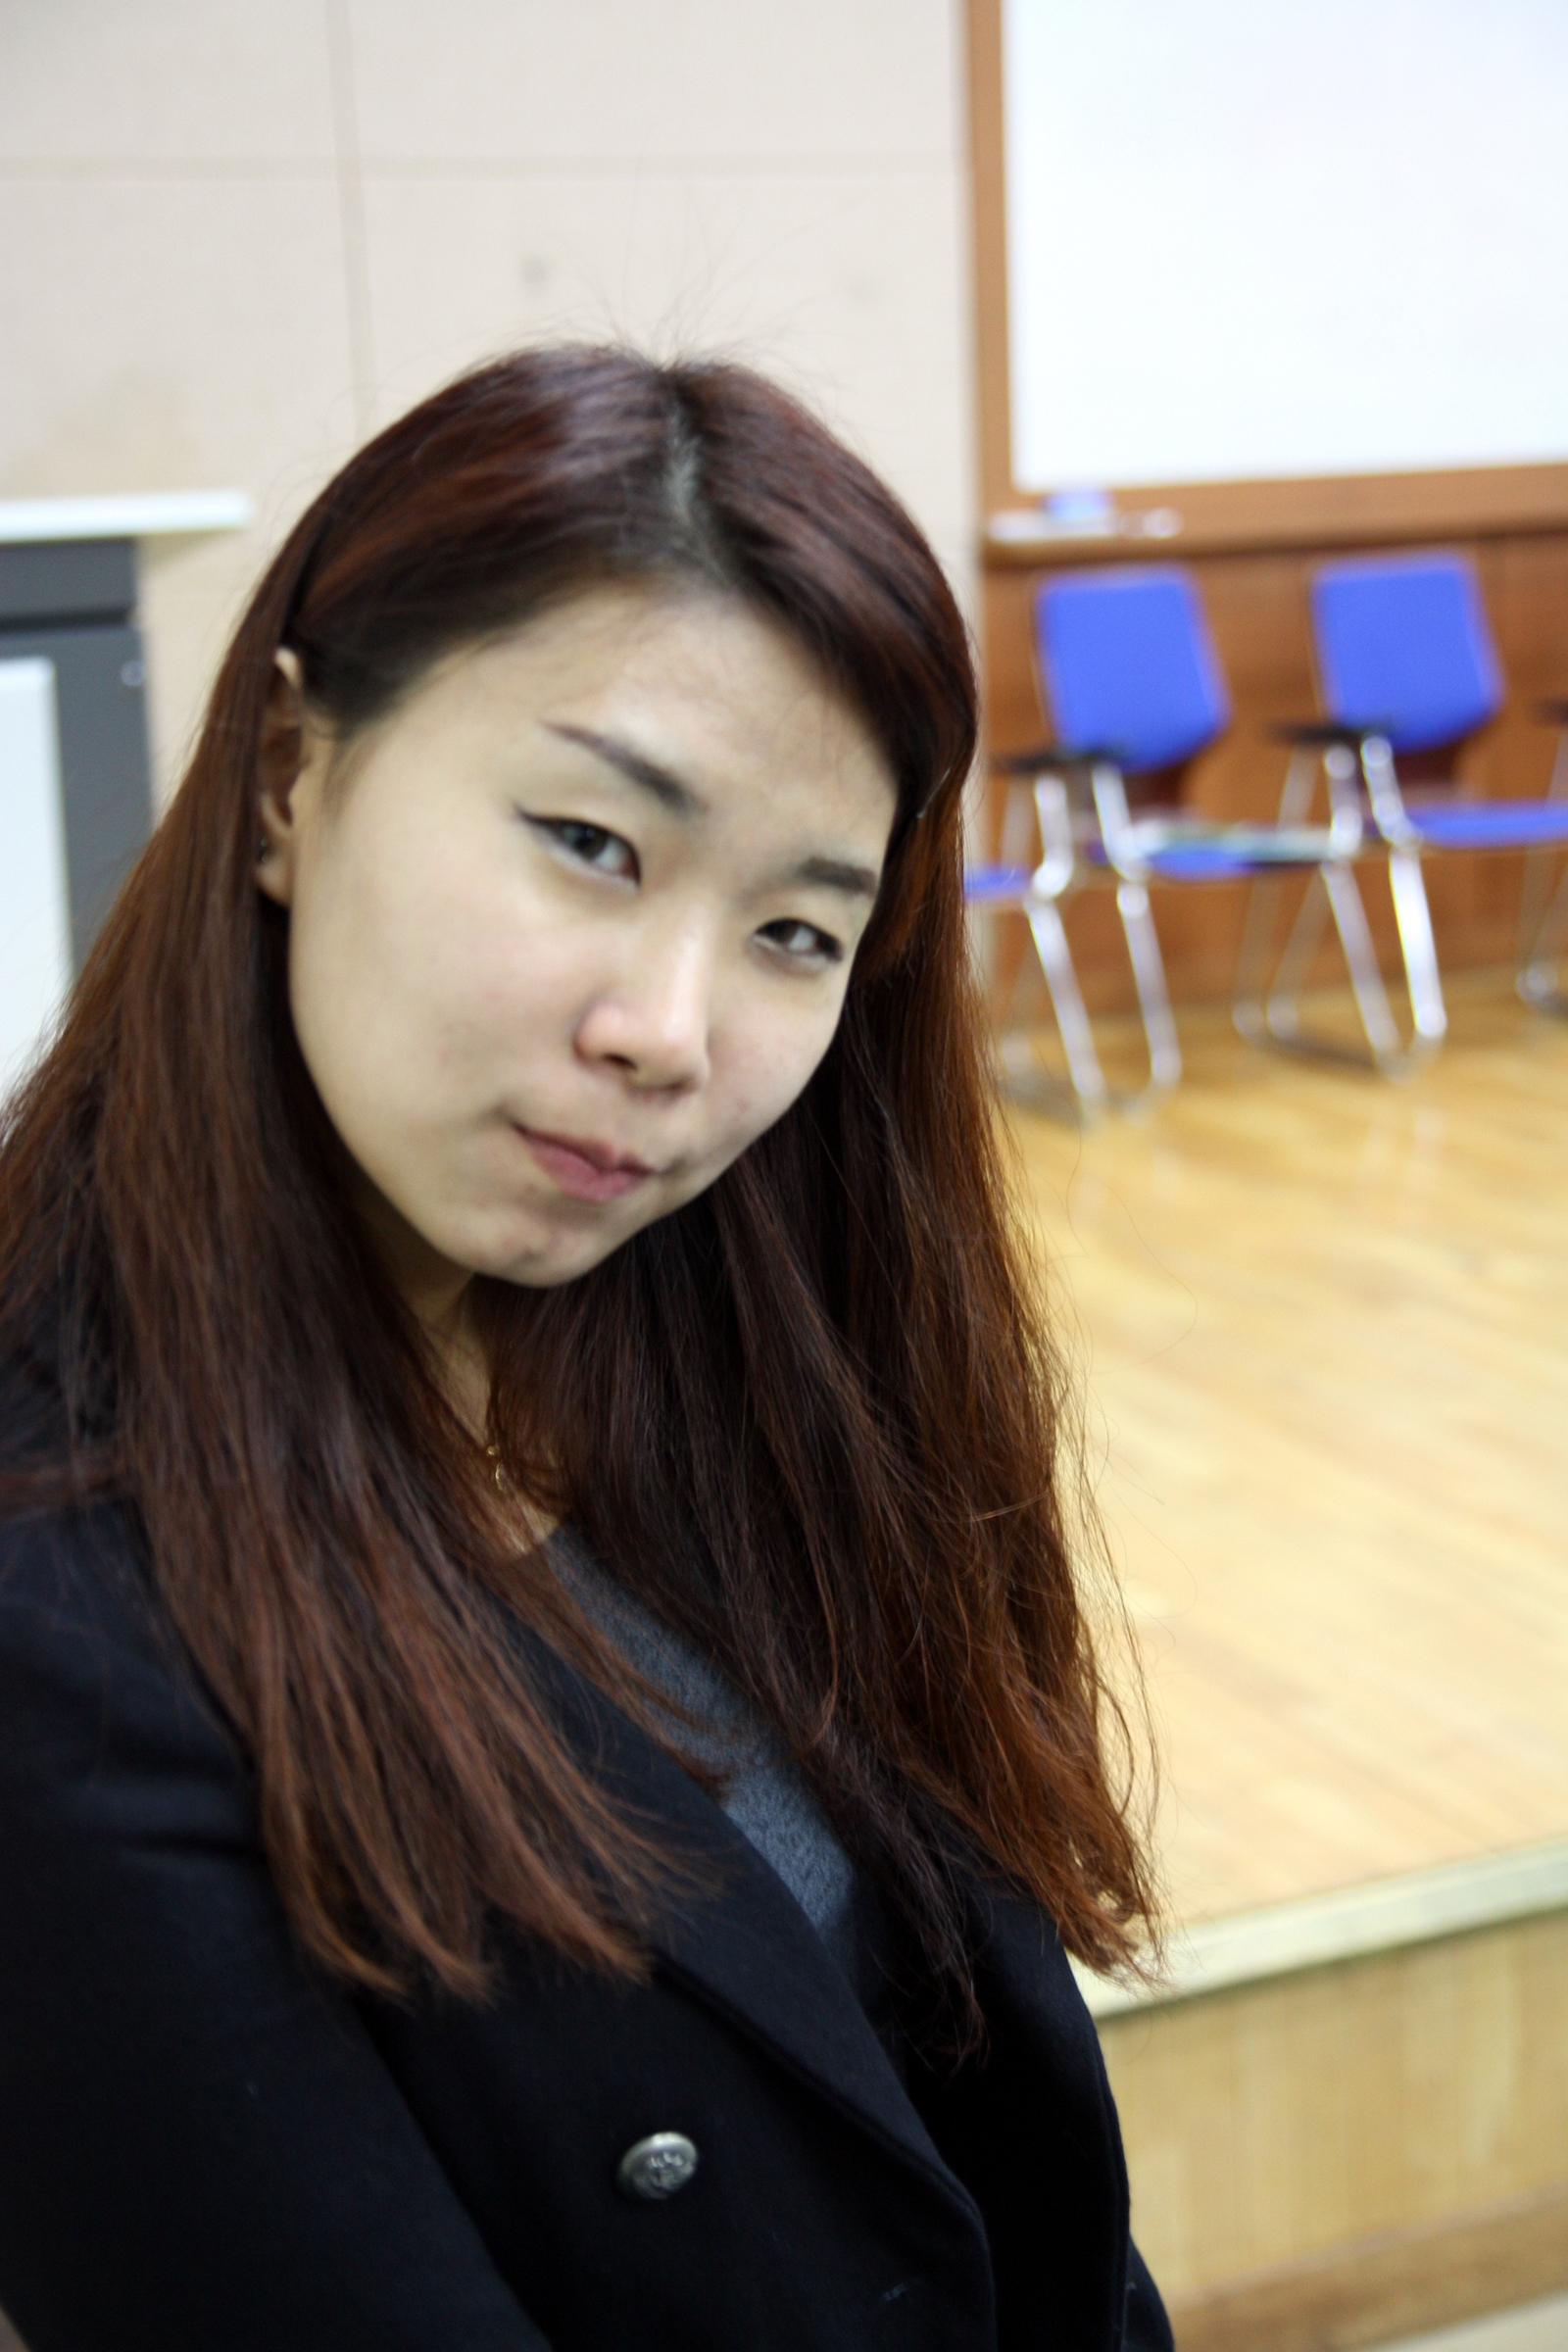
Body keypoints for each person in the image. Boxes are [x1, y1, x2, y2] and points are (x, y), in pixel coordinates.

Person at [0, 346, 1168, 2352]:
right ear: (286, 779)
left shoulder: (739, 1356)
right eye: (594, 843)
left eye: (795, 931)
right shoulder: (61, 1619)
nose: (670, 1033)